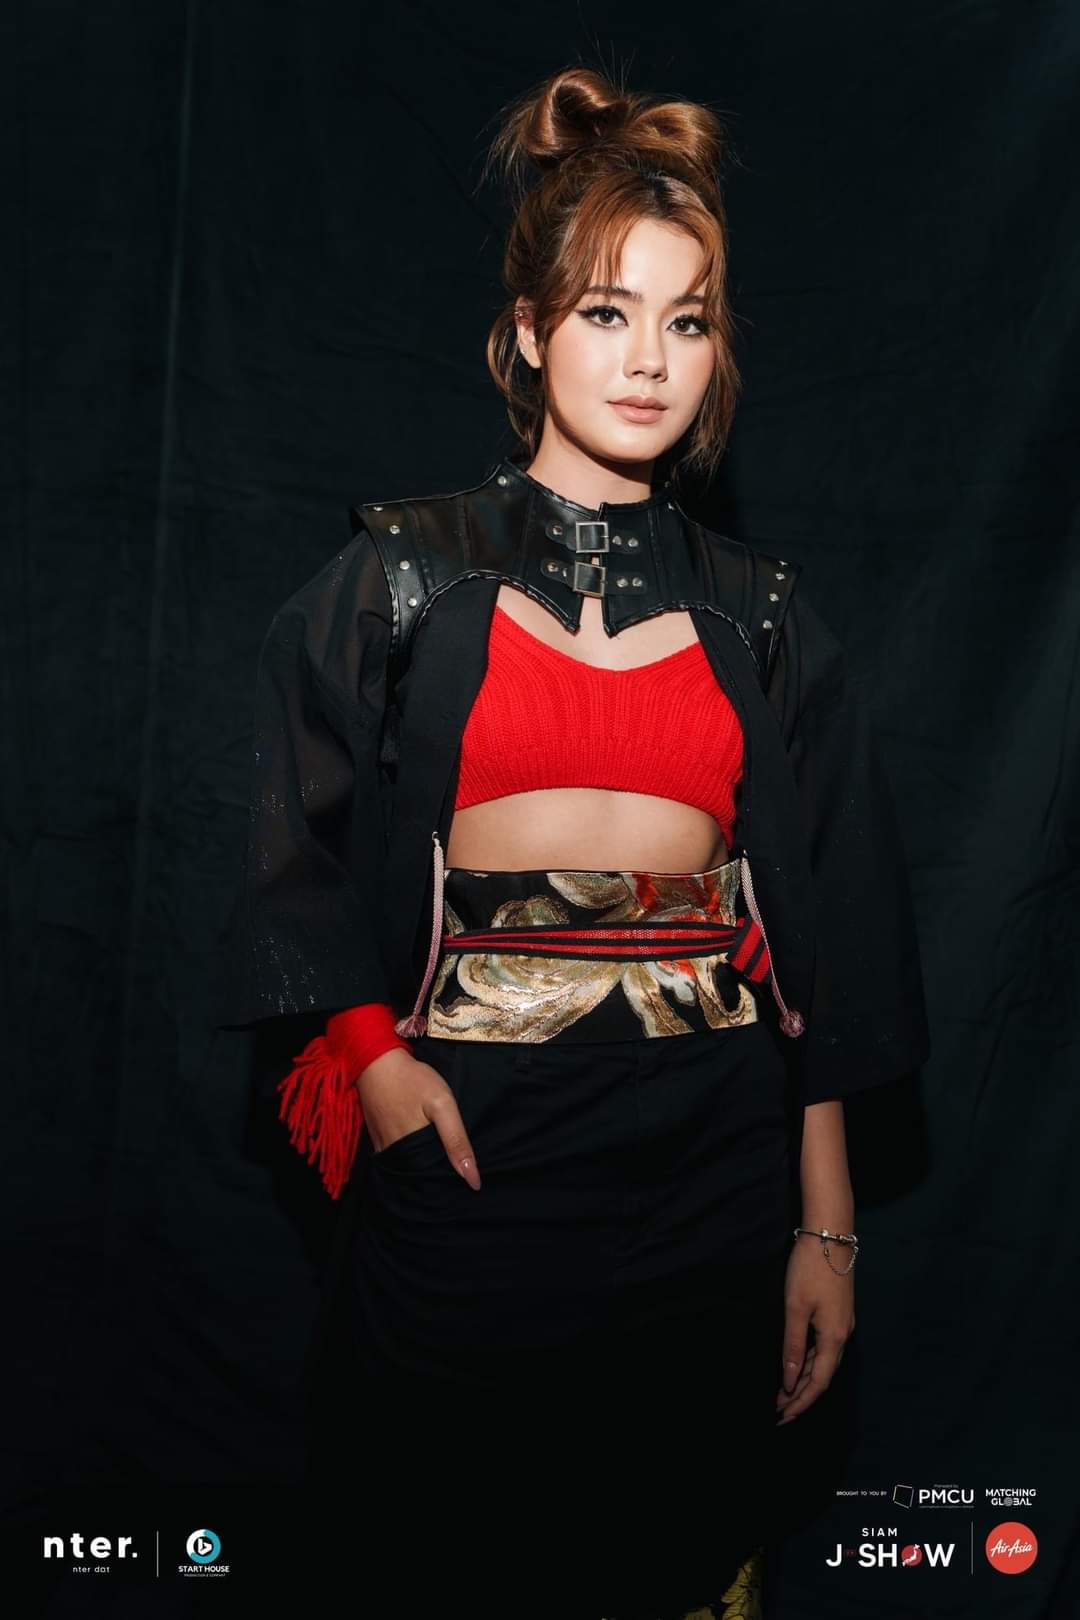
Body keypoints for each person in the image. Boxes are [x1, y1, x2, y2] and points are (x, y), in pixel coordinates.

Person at [217, 64, 930, 1620]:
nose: (651, 358)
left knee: (669, 1552)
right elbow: (290, 842)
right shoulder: (403, 577)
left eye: (689, 320)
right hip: (476, 1152)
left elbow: (825, 947)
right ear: (533, 333)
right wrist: (375, 1064)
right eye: (609, 312)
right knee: (446, 1549)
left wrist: (826, 1230)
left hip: (712, 1161)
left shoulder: (766, 615)